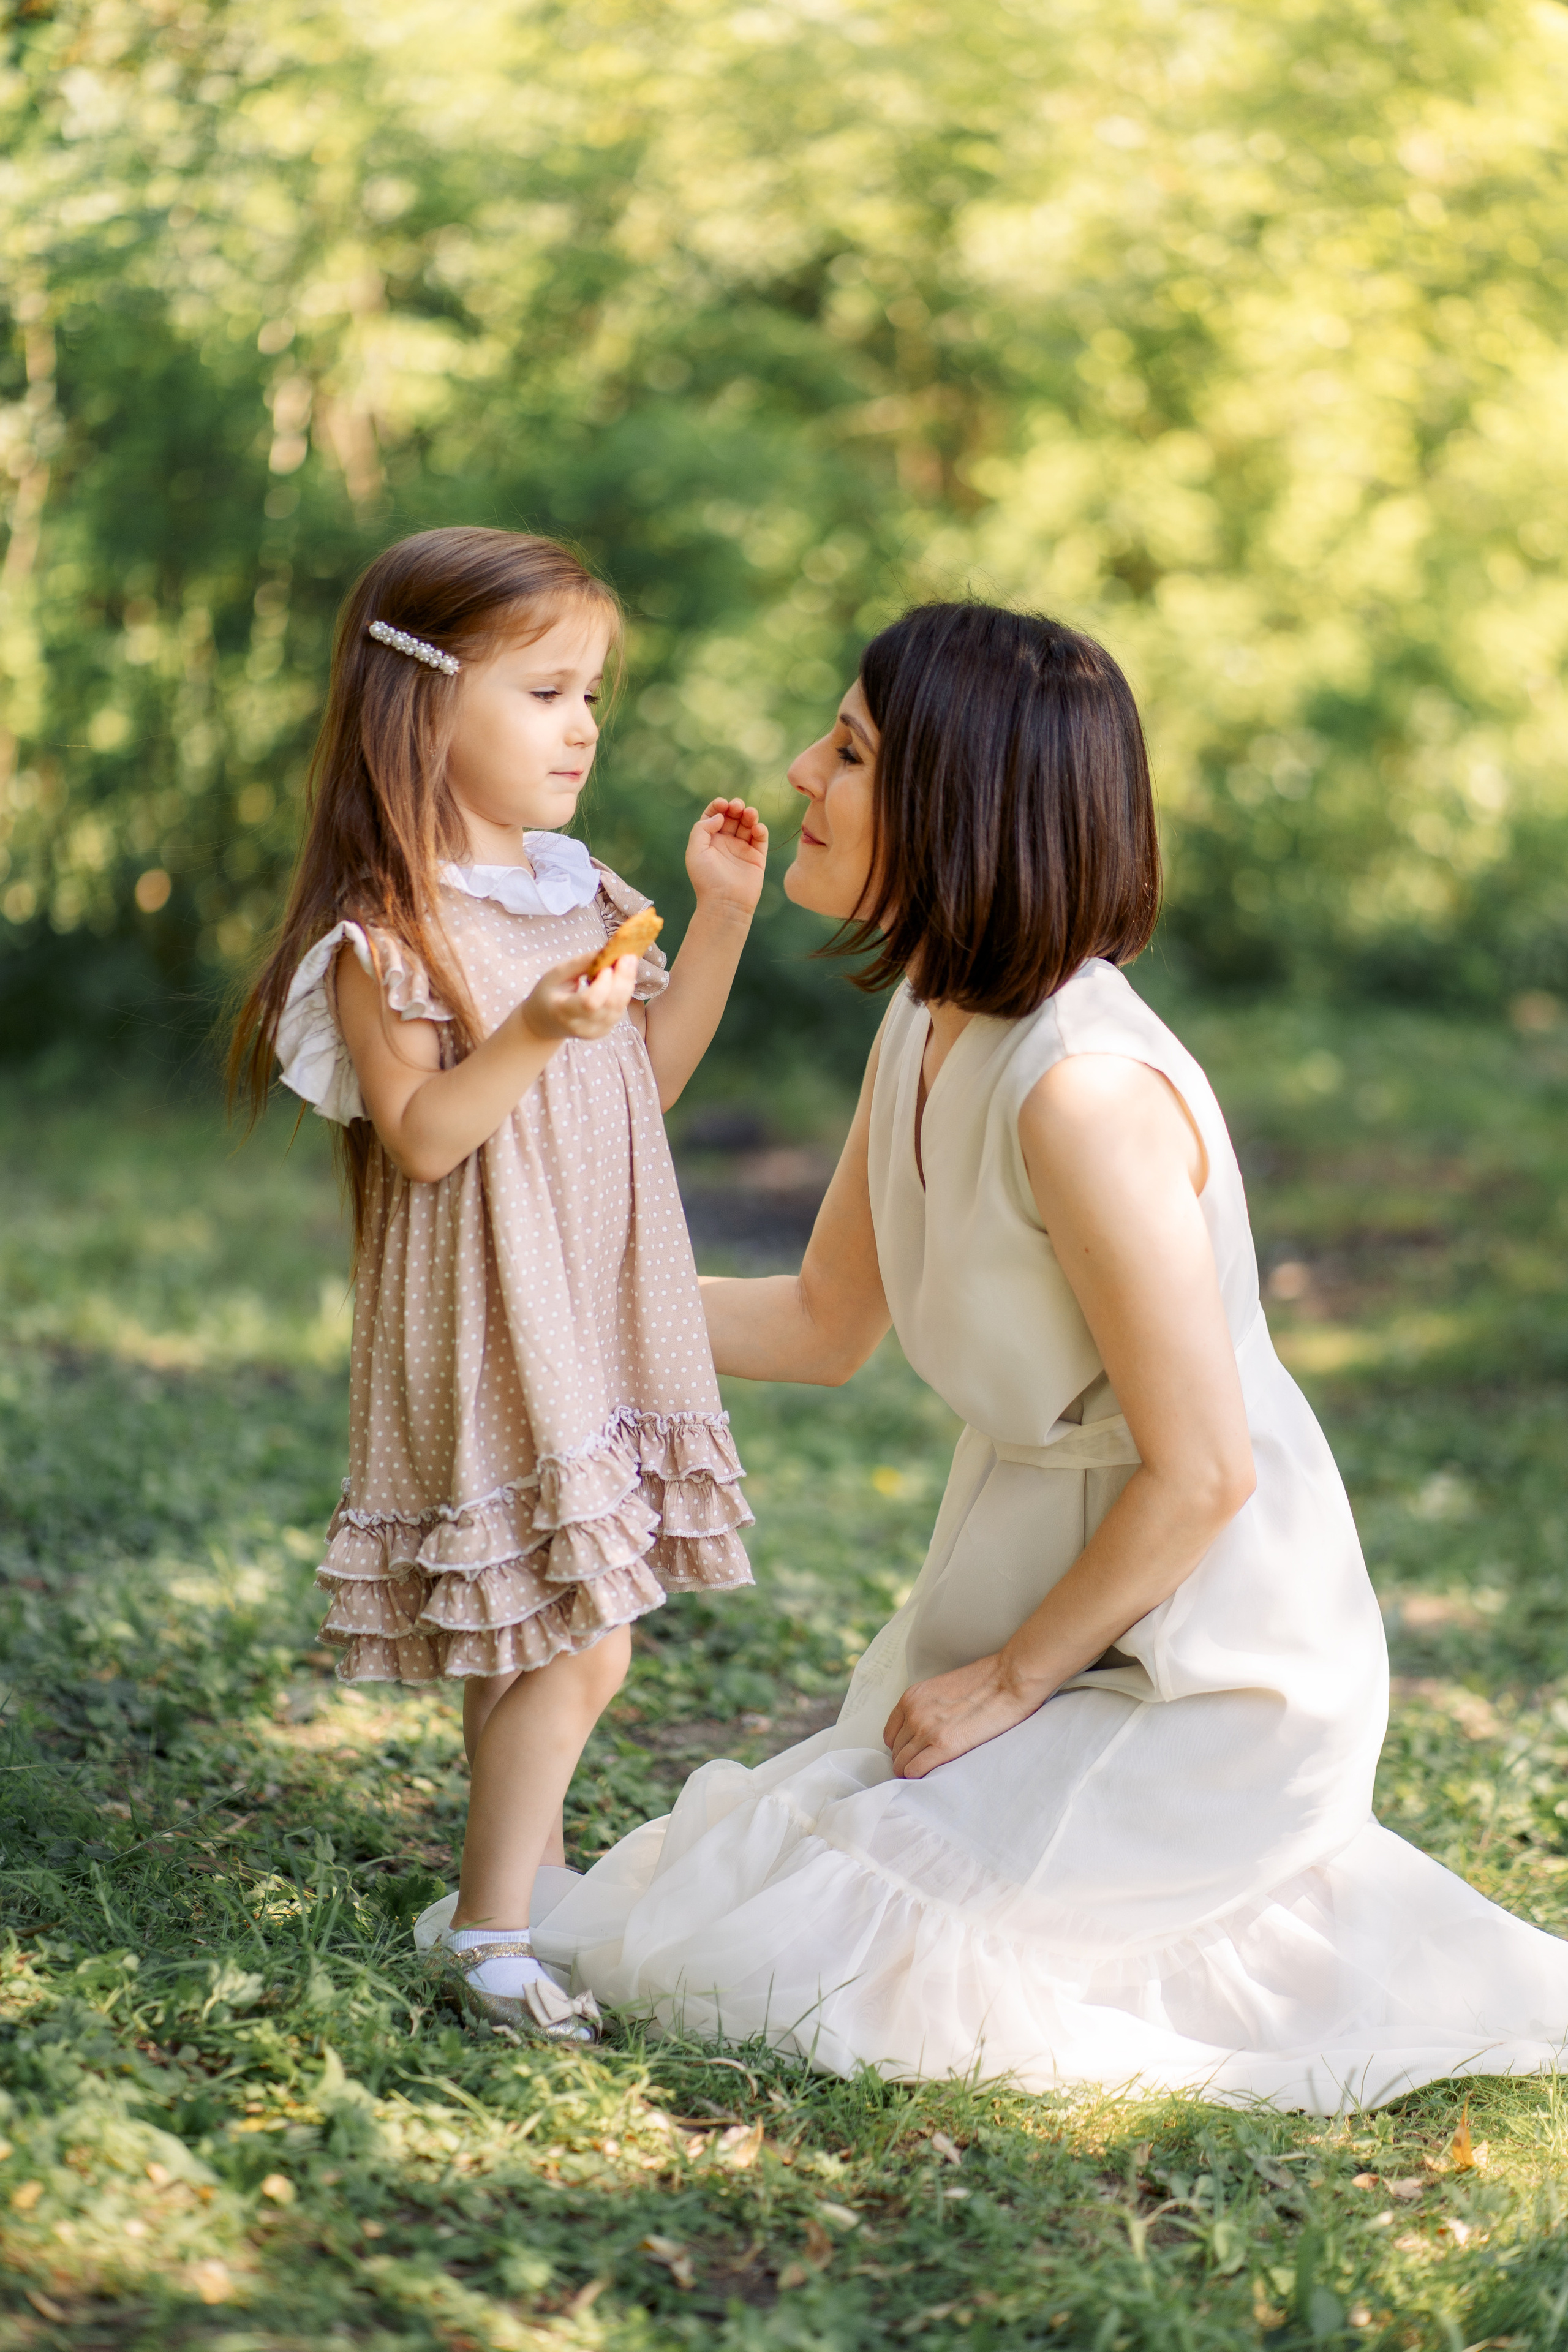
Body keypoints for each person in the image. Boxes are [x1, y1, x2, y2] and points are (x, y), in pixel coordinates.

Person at [536, 600, 1568, 2110]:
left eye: (848, 751)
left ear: (961, 798)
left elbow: (1205, 1468)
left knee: (807, 1952)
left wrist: (1010, 1683)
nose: (799, 774)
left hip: (1206, 1648)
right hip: (1035, 1573)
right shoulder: (925, 1013)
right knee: (763, 1875)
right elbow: (824, 1327)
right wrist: (563, 1300)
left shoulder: (1082, 1092)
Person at [231, 527, 765, 2041]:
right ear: (425, 703)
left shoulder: (579, 893)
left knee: (544, 1617)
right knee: (586, 1630)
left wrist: (717, 916)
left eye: (590, 692)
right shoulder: (388, 934)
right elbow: (419, 1137)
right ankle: (491, 1937)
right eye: (543, 691)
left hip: (586, 1297)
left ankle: (516, 1867)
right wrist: (527, 1030)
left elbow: (638, 1087)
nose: (582, 724)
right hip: (486, 1314)